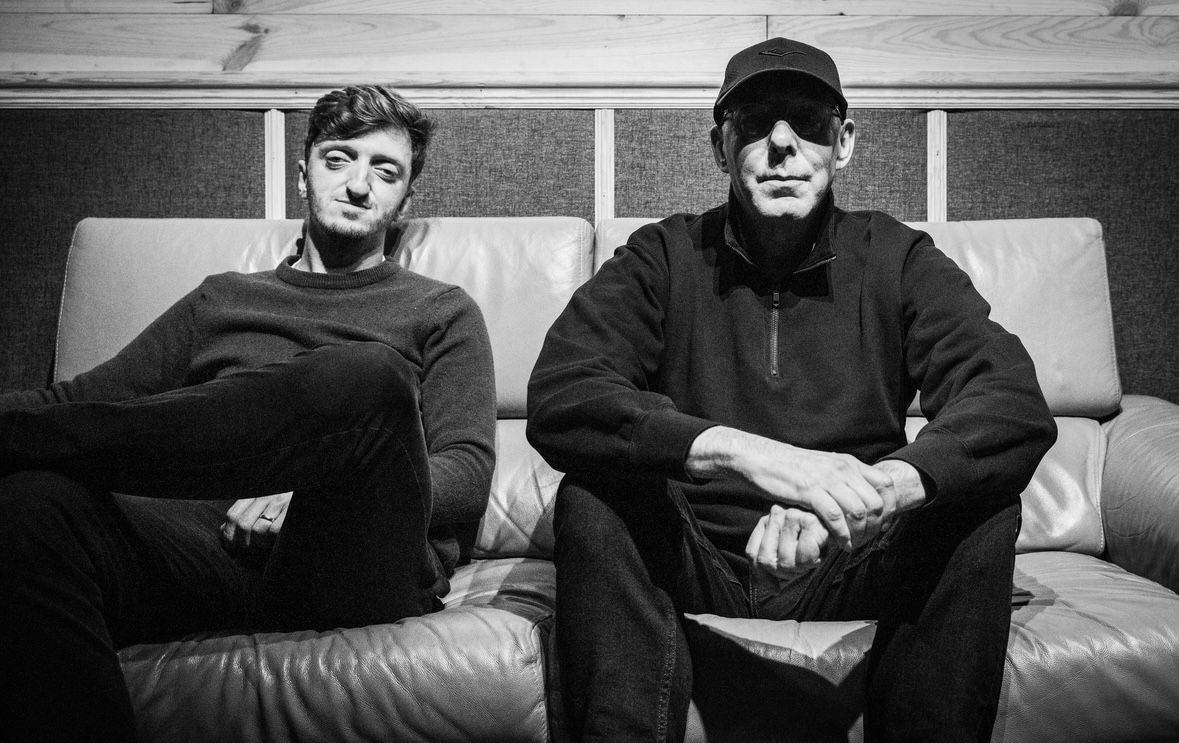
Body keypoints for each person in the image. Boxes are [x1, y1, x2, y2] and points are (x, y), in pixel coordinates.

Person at [527, 37, 1056, 743]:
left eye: (807, 121)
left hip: (854, 553)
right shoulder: (663, 256)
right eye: (754, 123)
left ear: (844, 143)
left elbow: (1009, 399)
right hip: (695, 556)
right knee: (593, 494)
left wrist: (877, 493)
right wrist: (754, 457)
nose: (782, 144)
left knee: (977, 500)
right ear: (720, 147)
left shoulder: (898, 257)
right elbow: (563, 390)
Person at [0, 85, 496, 743]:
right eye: (338, 160)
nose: (357, 185)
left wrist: (308, 486)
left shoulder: (440, 311)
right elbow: (76, 402)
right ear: (303, 174)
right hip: (206, 550)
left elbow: (467, 470)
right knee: (30, 504)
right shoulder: (224, 300)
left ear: (405, 198)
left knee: (365, 377)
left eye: (385, 171)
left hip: (351, 558)